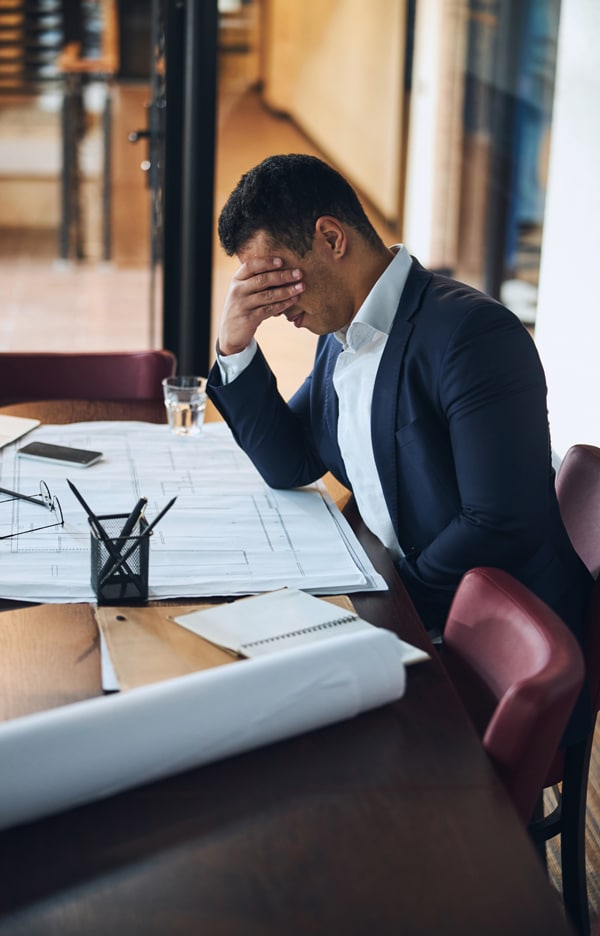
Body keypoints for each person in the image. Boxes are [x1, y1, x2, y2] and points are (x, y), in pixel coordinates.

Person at [206, 153, 592, 668]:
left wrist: (381, 604)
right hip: (408, 609)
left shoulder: (474, 336)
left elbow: (499, 522)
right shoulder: (339, 333)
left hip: (492, 647)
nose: (275, 306)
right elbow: (290, 462)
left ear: (331, 238)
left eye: (277, 279)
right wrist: (234, 345)